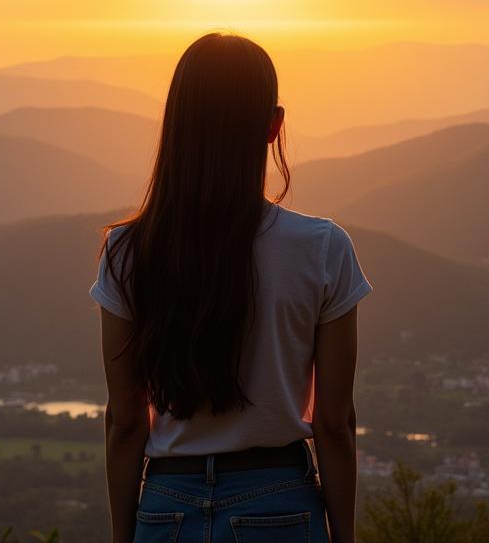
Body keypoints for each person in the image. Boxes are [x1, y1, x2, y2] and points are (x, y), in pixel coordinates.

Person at [89, 32, 373, 542]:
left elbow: (126, 422)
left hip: (165, 507)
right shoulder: (323, 248)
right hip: (279, 502)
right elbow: (334, 423)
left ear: (176, 124)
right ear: (274, 125)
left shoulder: (127, 251)